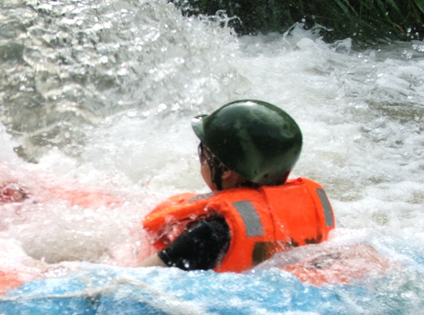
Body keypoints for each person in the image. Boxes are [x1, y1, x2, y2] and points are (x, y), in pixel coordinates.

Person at [136, 99, 336, 272]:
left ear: (224, 170)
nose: (200, 161)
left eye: (202, 155)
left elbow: (130, 281)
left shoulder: (211, 234)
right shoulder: (314, 213)